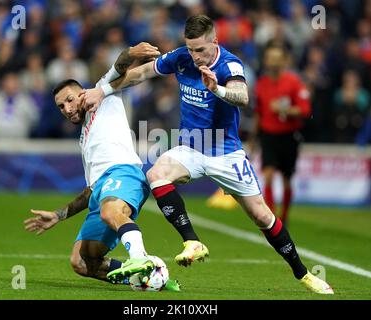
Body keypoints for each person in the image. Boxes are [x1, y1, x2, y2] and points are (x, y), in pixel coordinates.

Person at [81, 15, 333, 294]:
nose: (195, 56)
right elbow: (140, 73)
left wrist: (217, 89)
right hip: (191, 146)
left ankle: (303, 274)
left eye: (200, 50)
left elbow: (242, 96)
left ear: (215, 41)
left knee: (262, 216)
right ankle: (192, 241)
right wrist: (101, 91)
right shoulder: (181, 58)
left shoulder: (229, 64)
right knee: (155, 174)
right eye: (190, 49)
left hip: (226, 153)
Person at [24, 43, 163, 284]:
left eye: (69, 100)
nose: (67, 109)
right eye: (61, 106)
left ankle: (140, 257)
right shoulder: (84, 139)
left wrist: (130, 53)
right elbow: (91, 190)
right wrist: (59, 215)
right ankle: (148, 278)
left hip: (124, 173)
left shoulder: (101, 93)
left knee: (111, 212)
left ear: (82, 93)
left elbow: (118, 66)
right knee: (81, 261)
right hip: (102, 189)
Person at [252, 42, 311, 225]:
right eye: (270, 58)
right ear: (266, 61)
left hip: (288, 136)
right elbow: (258, 113)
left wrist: (284, 109)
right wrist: (253, 139)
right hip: (268, 135)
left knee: (286, 180)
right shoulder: (261, 84)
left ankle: (284, 216)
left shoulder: (294, 82)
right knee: (268, 175)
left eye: (277, 58)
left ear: (284, 61)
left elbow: (305, 110)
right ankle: (271, 219)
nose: (273, 62)